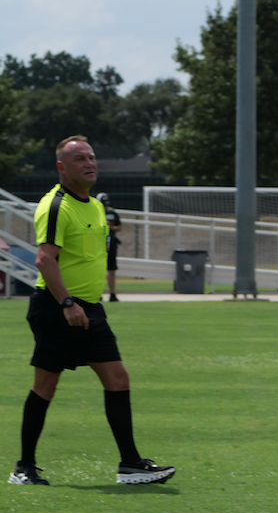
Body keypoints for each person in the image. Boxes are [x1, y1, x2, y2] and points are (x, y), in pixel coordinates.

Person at [12, 136, 174, 487]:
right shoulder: (55, 207)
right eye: (80, 158)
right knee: (46, 385)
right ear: (62, 167)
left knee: (117, 379)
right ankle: (23, 468)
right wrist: (67, 303)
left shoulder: (96, 206)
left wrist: (82, 305)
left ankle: (130, 464)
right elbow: (45, 259)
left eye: (92, 157)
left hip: (90, 310)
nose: (89, 163)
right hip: (57, 308)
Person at [101, 193, 121, 301]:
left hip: (111, 243)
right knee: (99, 269)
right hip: (99, 243)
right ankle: (98, 293)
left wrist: (112, 227)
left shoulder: (112, 213)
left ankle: (112, 294)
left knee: (111, 269)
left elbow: (119, 227)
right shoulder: (94, 213)